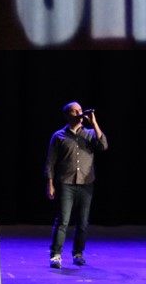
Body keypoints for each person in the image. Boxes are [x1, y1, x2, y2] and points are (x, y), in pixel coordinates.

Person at [44, 102, 108, 269]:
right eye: (75, 111)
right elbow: (50, 163)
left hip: (86, 184)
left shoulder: (90, 134)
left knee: (83, 222)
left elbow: (103, 146)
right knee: (63, 220)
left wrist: (94, 122)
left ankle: (78, 253)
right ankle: (56, 255)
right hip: (66, 183)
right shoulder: (58, 136)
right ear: (67, 115)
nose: (79, 113)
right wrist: (49, 183)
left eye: (80, 110)